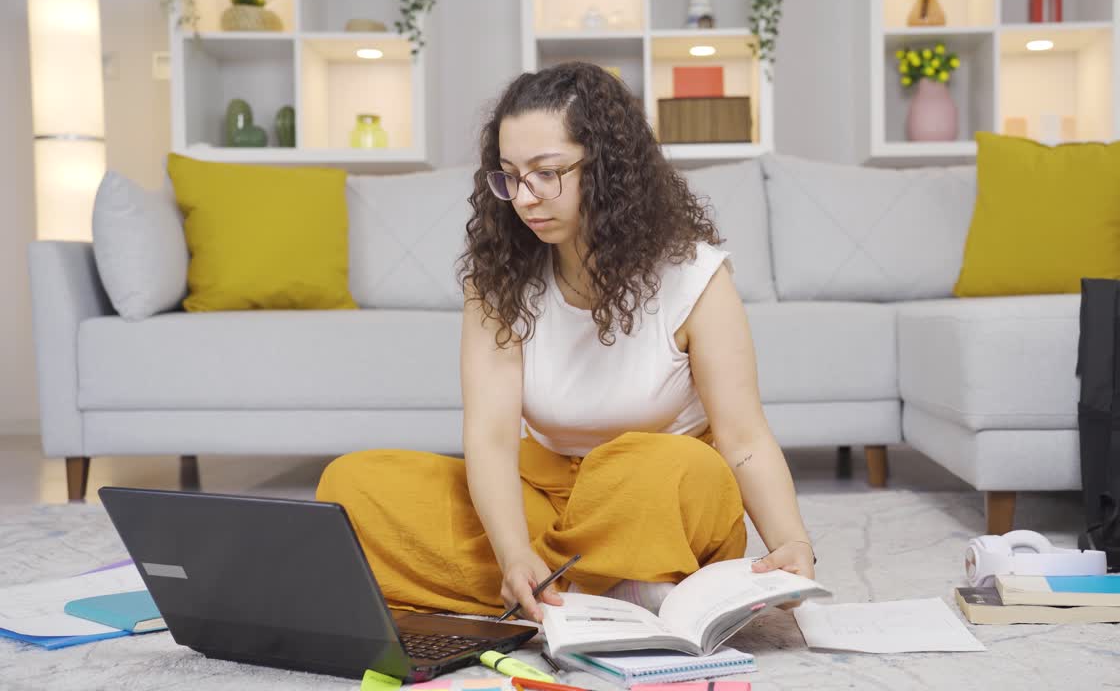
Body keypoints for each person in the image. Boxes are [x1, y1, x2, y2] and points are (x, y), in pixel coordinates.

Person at [317, 62, 814, 622]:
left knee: (682, 470)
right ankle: (591, 584)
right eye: (510, 176)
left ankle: (563, 585)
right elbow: (491, 440)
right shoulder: (498, 280)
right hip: (545, 495)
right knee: (352, 485)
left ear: (608, 168)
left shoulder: (696, 277)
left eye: (547, 173)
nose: (525, 198)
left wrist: (791, 541)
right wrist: (512, 552)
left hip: (653, 498)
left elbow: (743, 438)